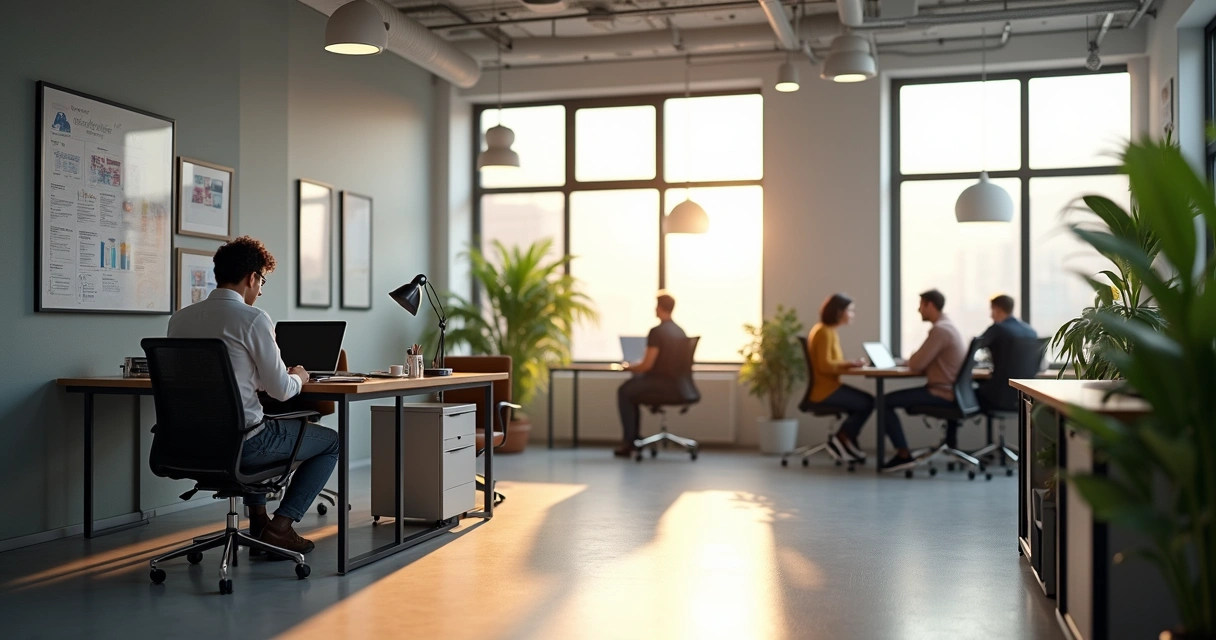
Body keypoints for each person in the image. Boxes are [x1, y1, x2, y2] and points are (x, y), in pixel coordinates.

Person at [167, 236, 338, 556]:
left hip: (188, 443)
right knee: (331, 441)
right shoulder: (253, 319)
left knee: (263, 420)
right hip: (245, 444)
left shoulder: (181, 318)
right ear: (252, 277)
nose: (260, 290)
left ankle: (259, 523)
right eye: (262, 281)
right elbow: (282, 391)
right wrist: (298, 377)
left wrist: (257, 378)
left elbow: (222, 376)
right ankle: (281, 527)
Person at [880, 289, 966, 473]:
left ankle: (902, 455)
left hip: (941, 392)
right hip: (952, 392)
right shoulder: (949, 326)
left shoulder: (940, 330)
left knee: (883, 401)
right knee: (888, 400)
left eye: (921, 305)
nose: (918, 310)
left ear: (930, 305)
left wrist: (912, 359)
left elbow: (916, 364)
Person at [615, 292, 688, 458]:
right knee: (632, 387)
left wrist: (628, 367)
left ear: (659, 307)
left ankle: (629, 442)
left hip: (661, 384)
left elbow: (646, 365)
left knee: (625, 391)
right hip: (679, 386)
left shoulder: (657, 331)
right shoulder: (679, 331)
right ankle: (632, 438)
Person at [806, 293, 872, 462]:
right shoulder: (824, 332)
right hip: (824, 391)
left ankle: (845, 440)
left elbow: (831, 362)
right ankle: (842, 438)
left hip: (830, 387)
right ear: (839, 312)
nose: (852, 315)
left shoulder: (829, 332)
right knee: (868, 402)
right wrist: (849, 363)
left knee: (865, 402)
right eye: (850, 311)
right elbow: (824, 365)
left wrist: (850, 364)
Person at [977, 294, 1038, 411]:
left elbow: (976, 347)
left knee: (966, 393)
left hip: (997, 395)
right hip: (1024, 396)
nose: (991, 315)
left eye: (992, 310)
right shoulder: (1031, 332)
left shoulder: (998, 329)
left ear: (997, 309)